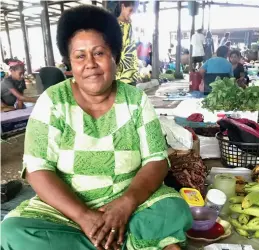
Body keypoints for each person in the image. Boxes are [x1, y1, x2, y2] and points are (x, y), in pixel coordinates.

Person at [1, 6, 192, 250]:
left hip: (128, 206)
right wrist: (83, 216)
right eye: (80, 56)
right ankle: (132, 243)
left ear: (114, 56)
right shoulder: (53, 101)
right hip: (67, 213)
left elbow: (156, 160)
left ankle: (104, 241)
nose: (90, 64)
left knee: (173, 209)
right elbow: (37, 169)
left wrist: (126, 203)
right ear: (69, 63)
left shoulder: (135, 99)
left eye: (99, 53)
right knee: (12, 231)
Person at [115, 1, 140, 86]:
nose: (131, 14)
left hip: (132, 74)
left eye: (134, 12)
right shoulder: (114, 25)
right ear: (123, 7)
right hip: (120, 75)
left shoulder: (130, 25)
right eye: (130, 10)